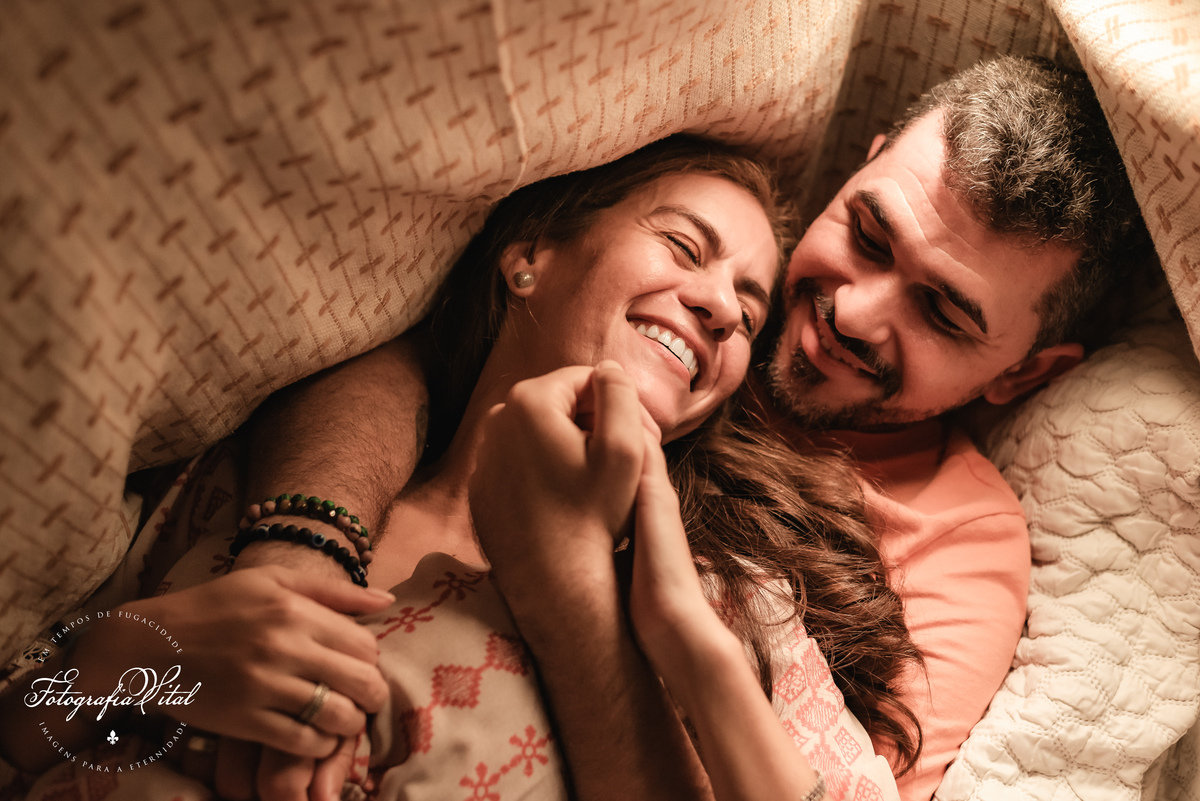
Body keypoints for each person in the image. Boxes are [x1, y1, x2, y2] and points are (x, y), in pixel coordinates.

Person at [224, 54, 1155, 801]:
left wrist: (593, 594)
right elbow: (421, 358)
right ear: (858, 169)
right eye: (869, 235)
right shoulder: (705, 272)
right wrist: (302, 549)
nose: (856, 313)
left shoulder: (954, 543)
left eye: (943, 314)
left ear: (1026, 374)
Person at [0, 136, 918, 801]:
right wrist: (144, 660)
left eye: (750, 314)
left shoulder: (728, 599)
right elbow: (25, 744)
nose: (721, 307)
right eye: (685, 248)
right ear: (529, 257)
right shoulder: (255, 482)